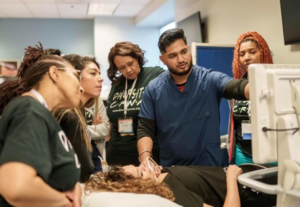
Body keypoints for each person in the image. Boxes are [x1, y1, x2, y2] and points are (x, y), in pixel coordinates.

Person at [137, 28, 250, 167]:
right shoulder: (154, 89)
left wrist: (254, 88)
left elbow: (235, 86)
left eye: (184, 52)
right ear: (163, 59)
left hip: (208, 169)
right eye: (172, 56)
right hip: (172, 170)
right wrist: (145, 159)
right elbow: (145, 129)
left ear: (189, 49)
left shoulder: (209, 79)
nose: (181, 59)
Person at [0, 44, 82, 207]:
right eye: (76, 76)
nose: (81, 88)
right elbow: (17, 188)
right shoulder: (29, 110)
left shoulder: (42, 114)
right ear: (54, 73)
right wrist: (64, 202)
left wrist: (73, 186)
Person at [84, 158, 277, 207]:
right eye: (141, 173)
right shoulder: (171, 192)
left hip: (252, 177)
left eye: (138, 165)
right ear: (138, 188)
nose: (144, 166)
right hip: (253, 189)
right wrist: (231, 178)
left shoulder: (161, 178)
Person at [106, 41, 165, 166]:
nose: (128, 70)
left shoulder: (155, 75)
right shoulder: (117, 84)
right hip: (117, 153)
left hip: (148, 154)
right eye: (122, 68)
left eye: (130, 63)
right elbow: (112, 117)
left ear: (137, 58)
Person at [54, 54, 104, 182]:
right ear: (75, 76)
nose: (101, 79)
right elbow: (82, 166)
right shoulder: (69, 116)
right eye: (93, 73)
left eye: (99, 73)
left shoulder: (79, 112)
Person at [228, 32, 273, 165]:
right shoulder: (238, 85)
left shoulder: (275, 80)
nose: (246, 57)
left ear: (262, 53)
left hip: (272, 152)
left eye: (252, 52)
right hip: (243, 152)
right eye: (242, 54)